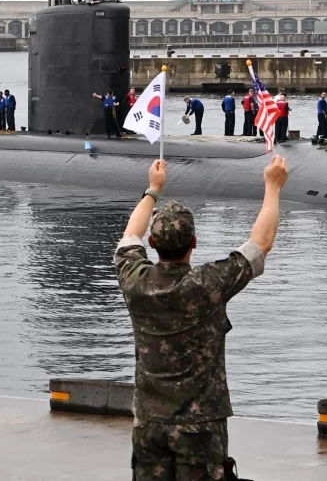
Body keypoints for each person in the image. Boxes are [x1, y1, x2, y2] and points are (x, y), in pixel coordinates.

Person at [116, 155, 286, 480]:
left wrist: (153, 189)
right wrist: (273, 185)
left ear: (153, 244)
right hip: (200, 427)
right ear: (194, 242)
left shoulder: (135, 280)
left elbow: (129, 236)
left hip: (149, 423)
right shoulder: (207, 283)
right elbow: (261, 243)